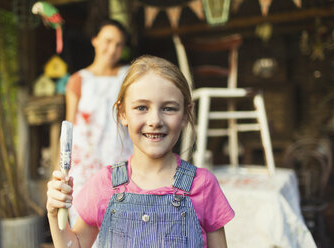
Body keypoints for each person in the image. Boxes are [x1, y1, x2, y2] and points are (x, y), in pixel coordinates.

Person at [47, 55, 235, 247]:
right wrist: (54, 214)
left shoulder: (203, 185)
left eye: (169, 108)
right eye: (141, 107)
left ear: (186, 114)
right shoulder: (105, 183)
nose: (155, 120)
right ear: (122, 113)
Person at [65, 19, 133, 226]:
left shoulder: (129, 76)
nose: (112, 49)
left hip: (121, 160)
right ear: (95, 40)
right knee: (84, 223)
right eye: (108, 41)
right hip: (85, 166)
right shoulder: (78, 80)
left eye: (118, 44)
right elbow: (68, 127)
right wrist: (61, 170)